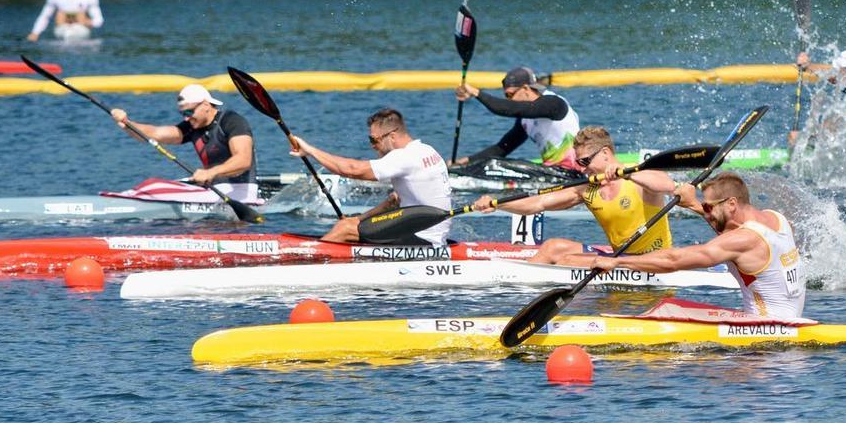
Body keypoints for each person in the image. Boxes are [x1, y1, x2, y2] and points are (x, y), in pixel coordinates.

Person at [591, 172, 806, 319]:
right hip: (787, 323)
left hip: (766, 334)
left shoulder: (743, 240)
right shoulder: (777, 219)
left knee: (669, 315)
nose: (706, 211)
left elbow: (673, 260)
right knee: (671, 308)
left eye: (708, 206)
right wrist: (694, 205)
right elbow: (730, 225)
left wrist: (618, 261)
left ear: (732, 203)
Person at [471, 125, 673, 265]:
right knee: (552, 247)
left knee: (567, 261)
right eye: (579, 164)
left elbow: (667, 185)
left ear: (605, 153)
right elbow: (539, 202)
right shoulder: (587, 189)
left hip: (656, 262)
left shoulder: (639, 177)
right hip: (621, 257)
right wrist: (497, 203)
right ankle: (517, 287)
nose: (583, 170)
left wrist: (626, 173)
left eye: (585, 162)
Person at [289, 108, 451, 245]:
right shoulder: (427, 150)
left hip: (421, 238)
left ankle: (307, 261)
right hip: (431, 234)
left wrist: (310, 151)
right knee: (348, 225)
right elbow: (394, 200)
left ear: (392, 136)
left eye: (374, 140)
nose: (373, 146)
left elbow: (352, 169)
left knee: (344, 230)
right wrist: (357, 220)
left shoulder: (404, 157)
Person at [110, 84, 258, 202]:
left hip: (239, 192)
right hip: (213, 191)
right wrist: (126, 123)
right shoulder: (193, 126)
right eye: (183, 114)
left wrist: (209, 173)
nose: (186, 118)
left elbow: (243, 160)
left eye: (189, 112)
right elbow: (154, 134)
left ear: (206, 105)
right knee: (152, 184)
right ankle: (122, 199)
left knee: (154, 187)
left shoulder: (232, 121)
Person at [453, 66, 582, 171]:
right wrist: (466, 162)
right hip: (553, 169)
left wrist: (476, 93)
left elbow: (508, 109)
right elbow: (502, 148)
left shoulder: (554, 104)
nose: (509, 100)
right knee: (491, 163)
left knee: (494, 166)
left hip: (574, 171)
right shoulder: (526, 119)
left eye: (510, 94)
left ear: (526, 89)